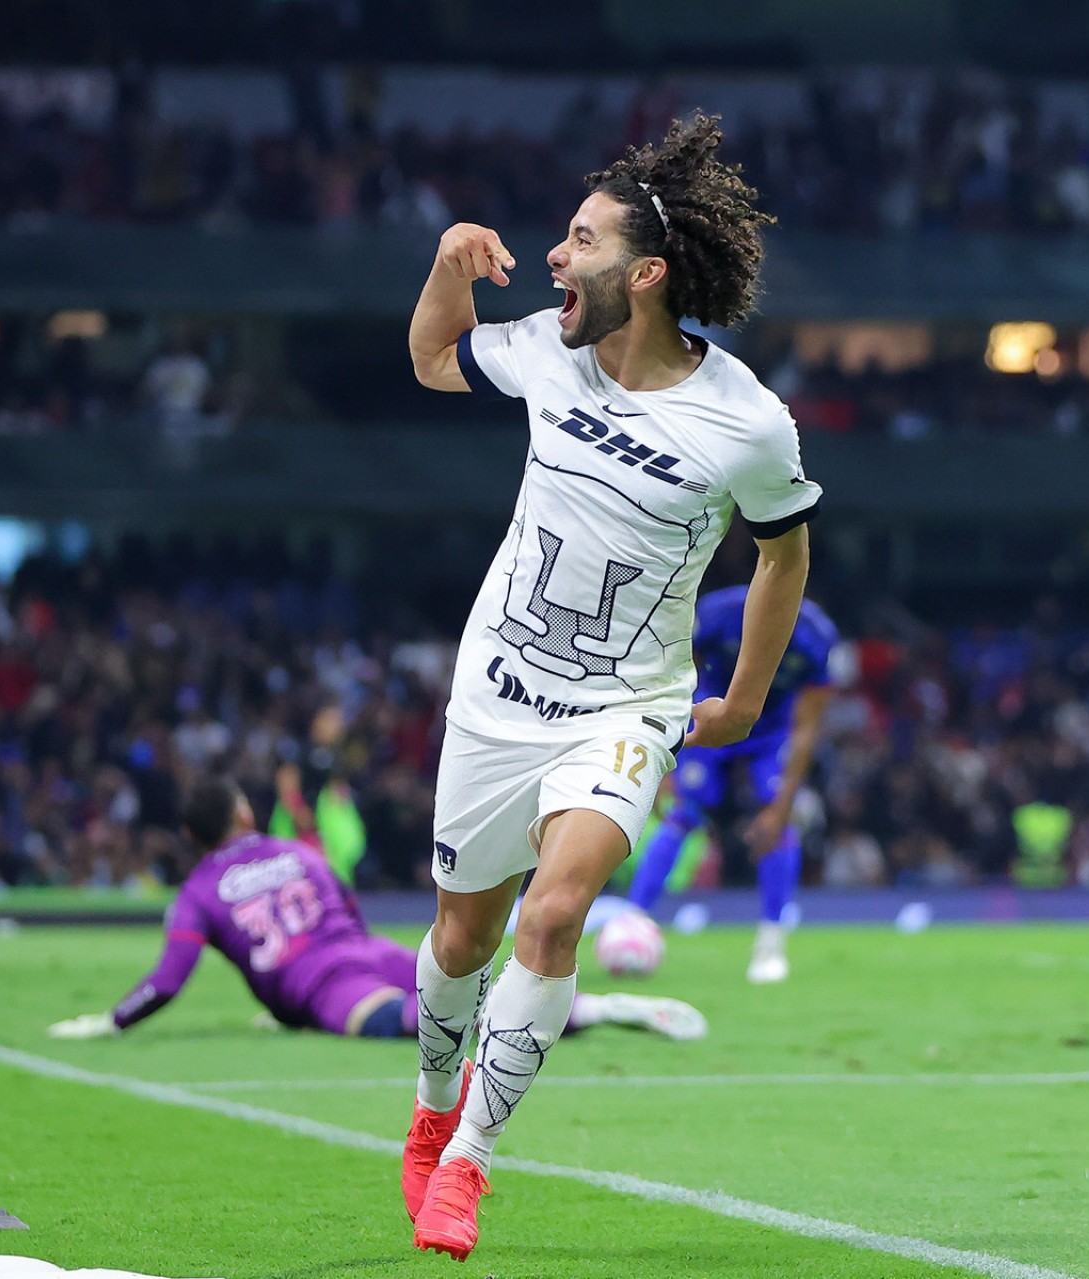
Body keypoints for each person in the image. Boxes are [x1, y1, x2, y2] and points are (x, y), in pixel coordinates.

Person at [402, 113, 819, 1260]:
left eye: (580, 239)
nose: (554, 254)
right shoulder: (546, 349)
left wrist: (744, 697)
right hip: (498, 694)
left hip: (625, 709)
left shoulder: (747, 422)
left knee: (554, 912)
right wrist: (446, 266)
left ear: (644, 274)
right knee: (460, 938)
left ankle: (470, 1159)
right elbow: (433, 359)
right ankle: (432, 1109)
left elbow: (784, 556)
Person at [46, 778, 705, 1044]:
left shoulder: (198, 891)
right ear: (244, 815)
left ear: (193, 836)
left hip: (324, 983)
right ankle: (574, 1001)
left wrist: (112, 1019)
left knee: (405, 1023)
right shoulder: (296, 852)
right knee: (449, 983)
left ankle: (588, 1013)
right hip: (374, 949)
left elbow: (168, 979)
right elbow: (346, 906)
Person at [625, 586, 839, 983]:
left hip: (771, 730)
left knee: (778, 826)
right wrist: (665, 761)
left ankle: (771, 941)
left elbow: (807, 727)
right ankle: (633, 923)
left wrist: (783, 804)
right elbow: (674, 677)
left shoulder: (816, 636)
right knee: (683, 813)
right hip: (712, 711)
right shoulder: (717, 613)